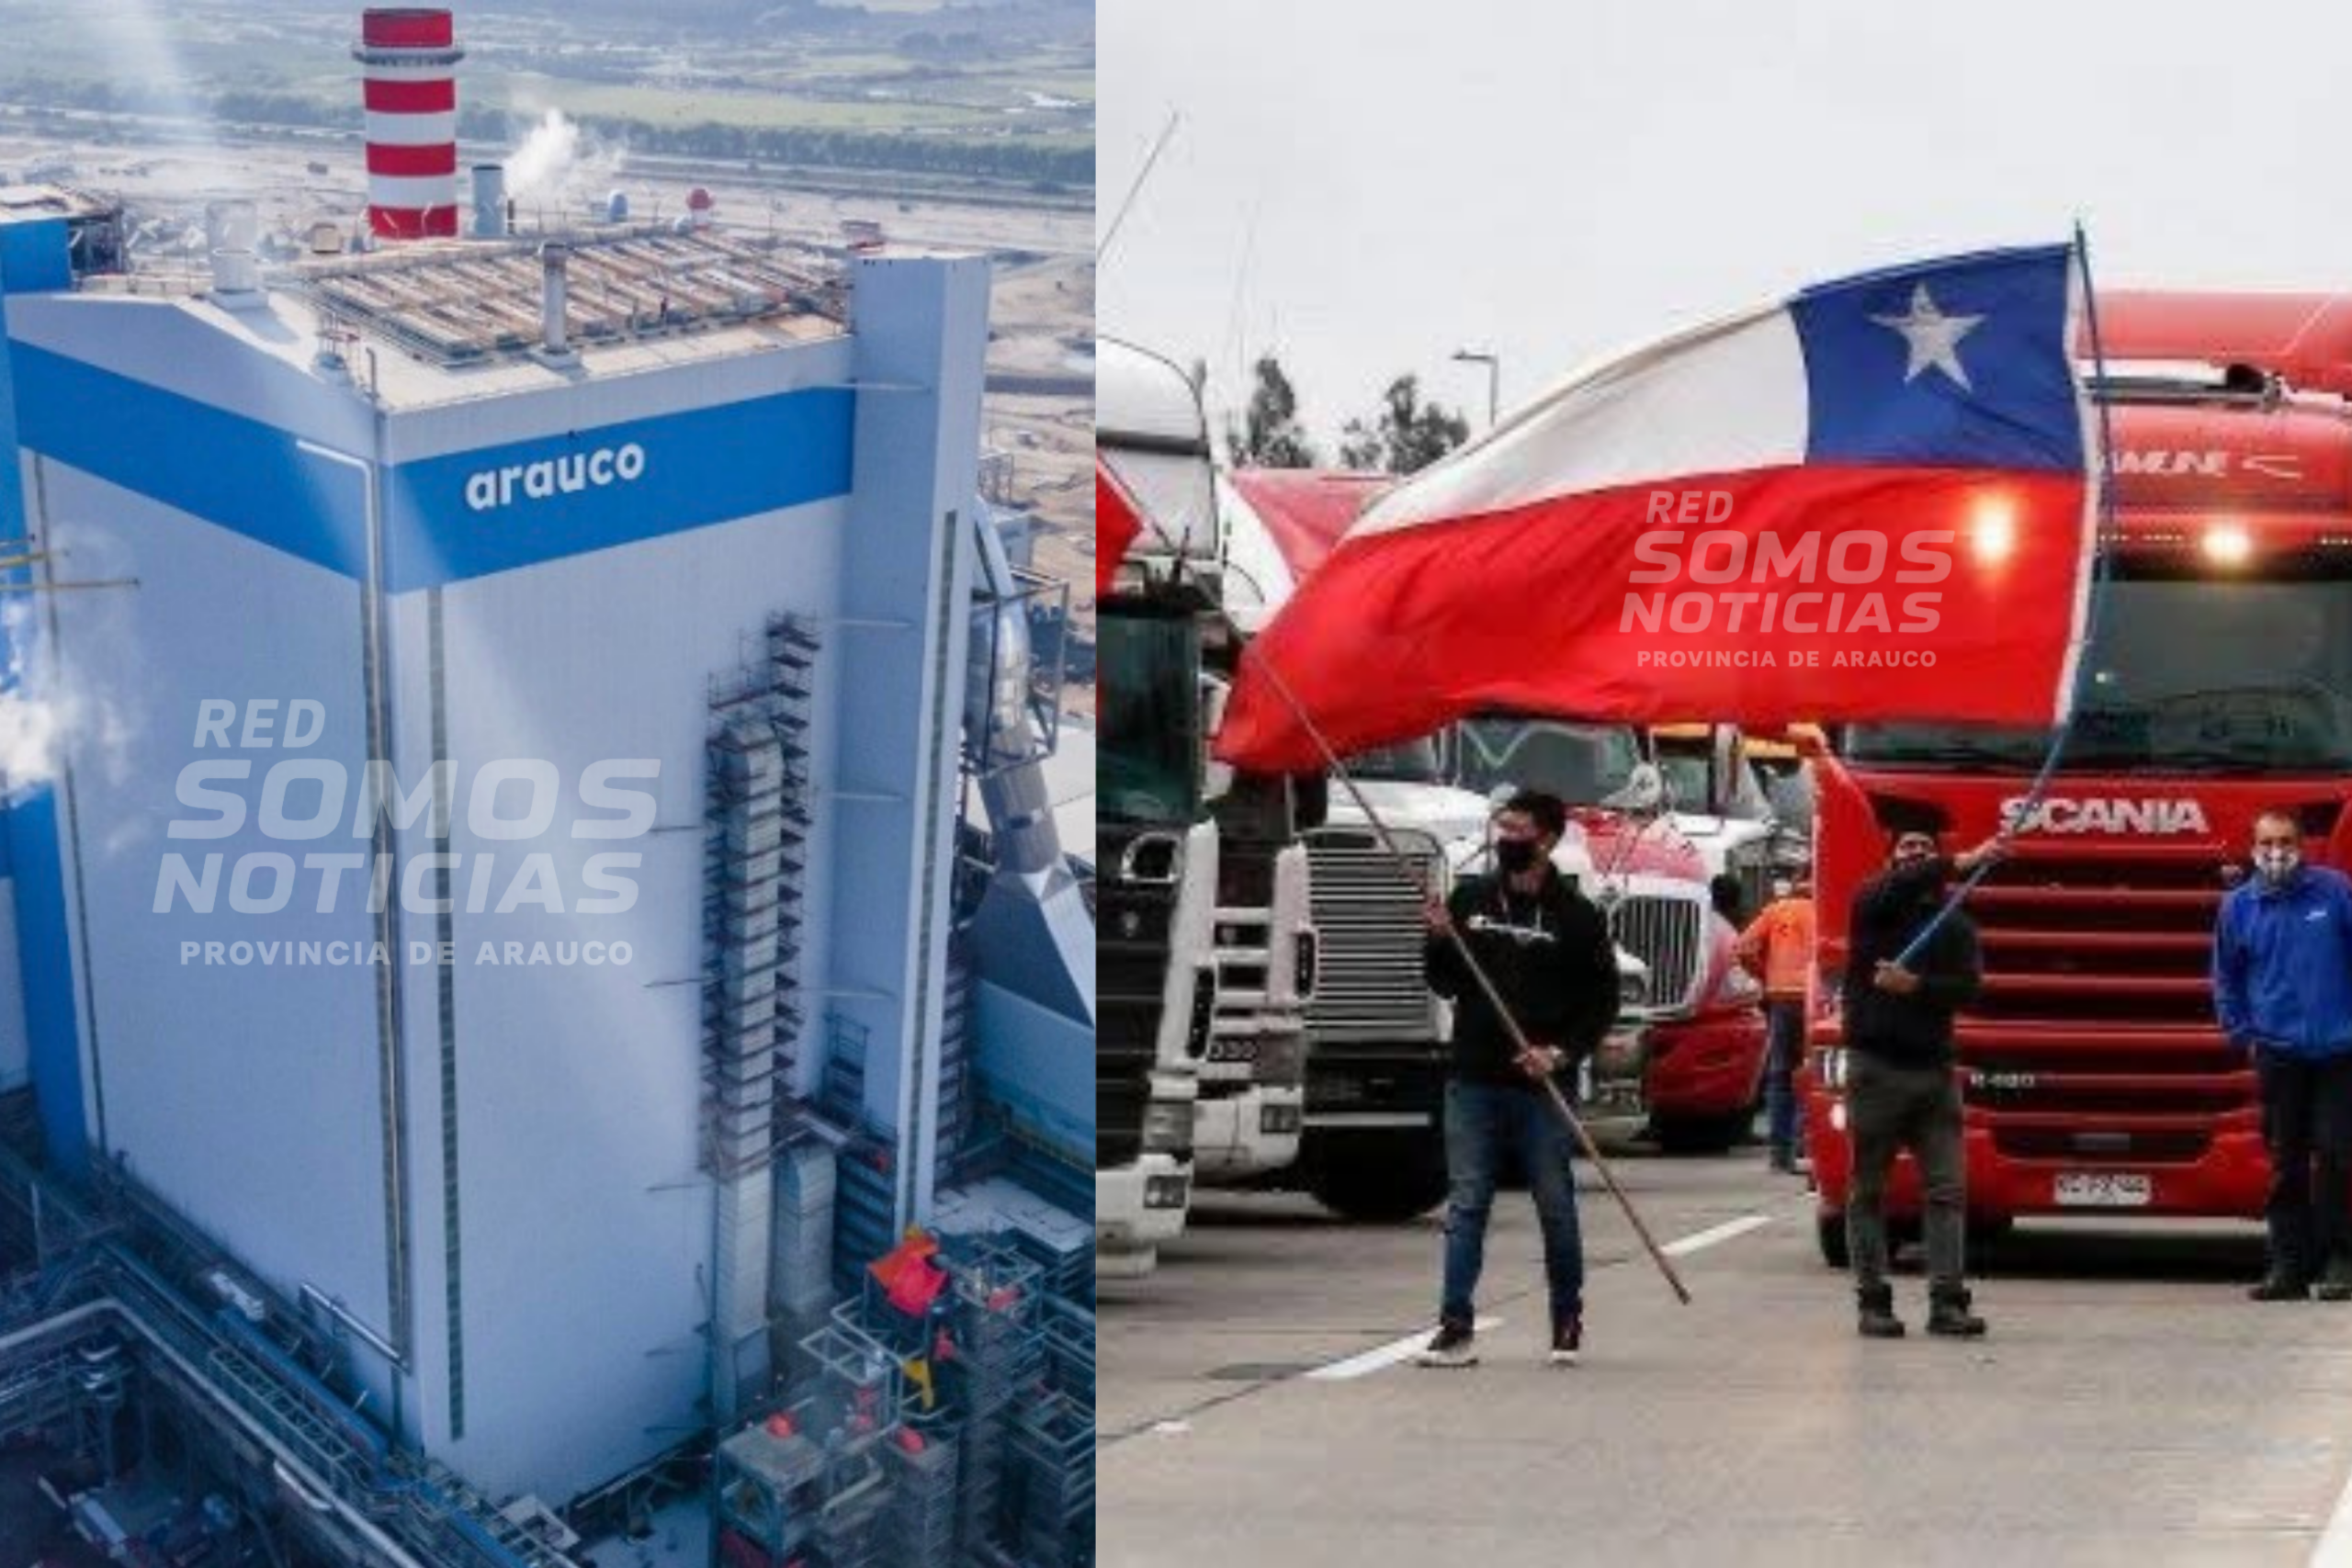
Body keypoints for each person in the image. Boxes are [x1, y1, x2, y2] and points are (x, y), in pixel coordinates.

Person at [1416, 789, 1621, 1369]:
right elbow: (1446, 982)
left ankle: (1566, 1317)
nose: (1506, 836)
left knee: (1555, 1205)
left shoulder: (1579, 917)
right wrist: (1435, 938)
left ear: (1548, 839)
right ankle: (1455, 1325)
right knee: (1468, 1204)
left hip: (1542, 1089)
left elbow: (1600, 1004)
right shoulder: (1471, 897)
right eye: (1501, 826)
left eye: (1518, 828)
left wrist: (1560, 1053)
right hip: (1474, 1076)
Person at [1843, 829, 1999, 1339]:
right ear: (1892, 860)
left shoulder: (1954, 927)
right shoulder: (1872, 907)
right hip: (1876, 1068)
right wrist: (1963, 858)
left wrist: (1918, 987)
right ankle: (1872, 1302)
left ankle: (1947, 1302)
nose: (1915, 856)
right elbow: (1897, 887)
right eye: (1907, 848)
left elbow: (1970, 990)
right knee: (1868, 1191)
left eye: (1924, 849)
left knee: (1948, 1191)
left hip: (1933, 1073)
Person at [2212, 808, 2352, 1302]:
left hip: (2339, 1050)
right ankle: (2287, 1266)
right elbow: (2227, 976)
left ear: (2303, 844)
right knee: (2284, 1159)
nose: (2277, 851)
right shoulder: (2237, 907)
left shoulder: (2336, 892)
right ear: (2253, 847)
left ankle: (2339, 1260)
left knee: (2336, 1154)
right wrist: (2241, 1033)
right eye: (2268, 841)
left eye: (2286, 840)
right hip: (2278, 1052)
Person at [1738, 875, 1816, 1173]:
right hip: (1817, 997)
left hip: (1782, 997)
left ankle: (1779, 1152)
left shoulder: (1777, 910)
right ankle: (1804, 1143)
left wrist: (1765, 974)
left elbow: (1743, 948)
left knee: (1781, 1073)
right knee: (1814, 1069)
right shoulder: (1828, 907)